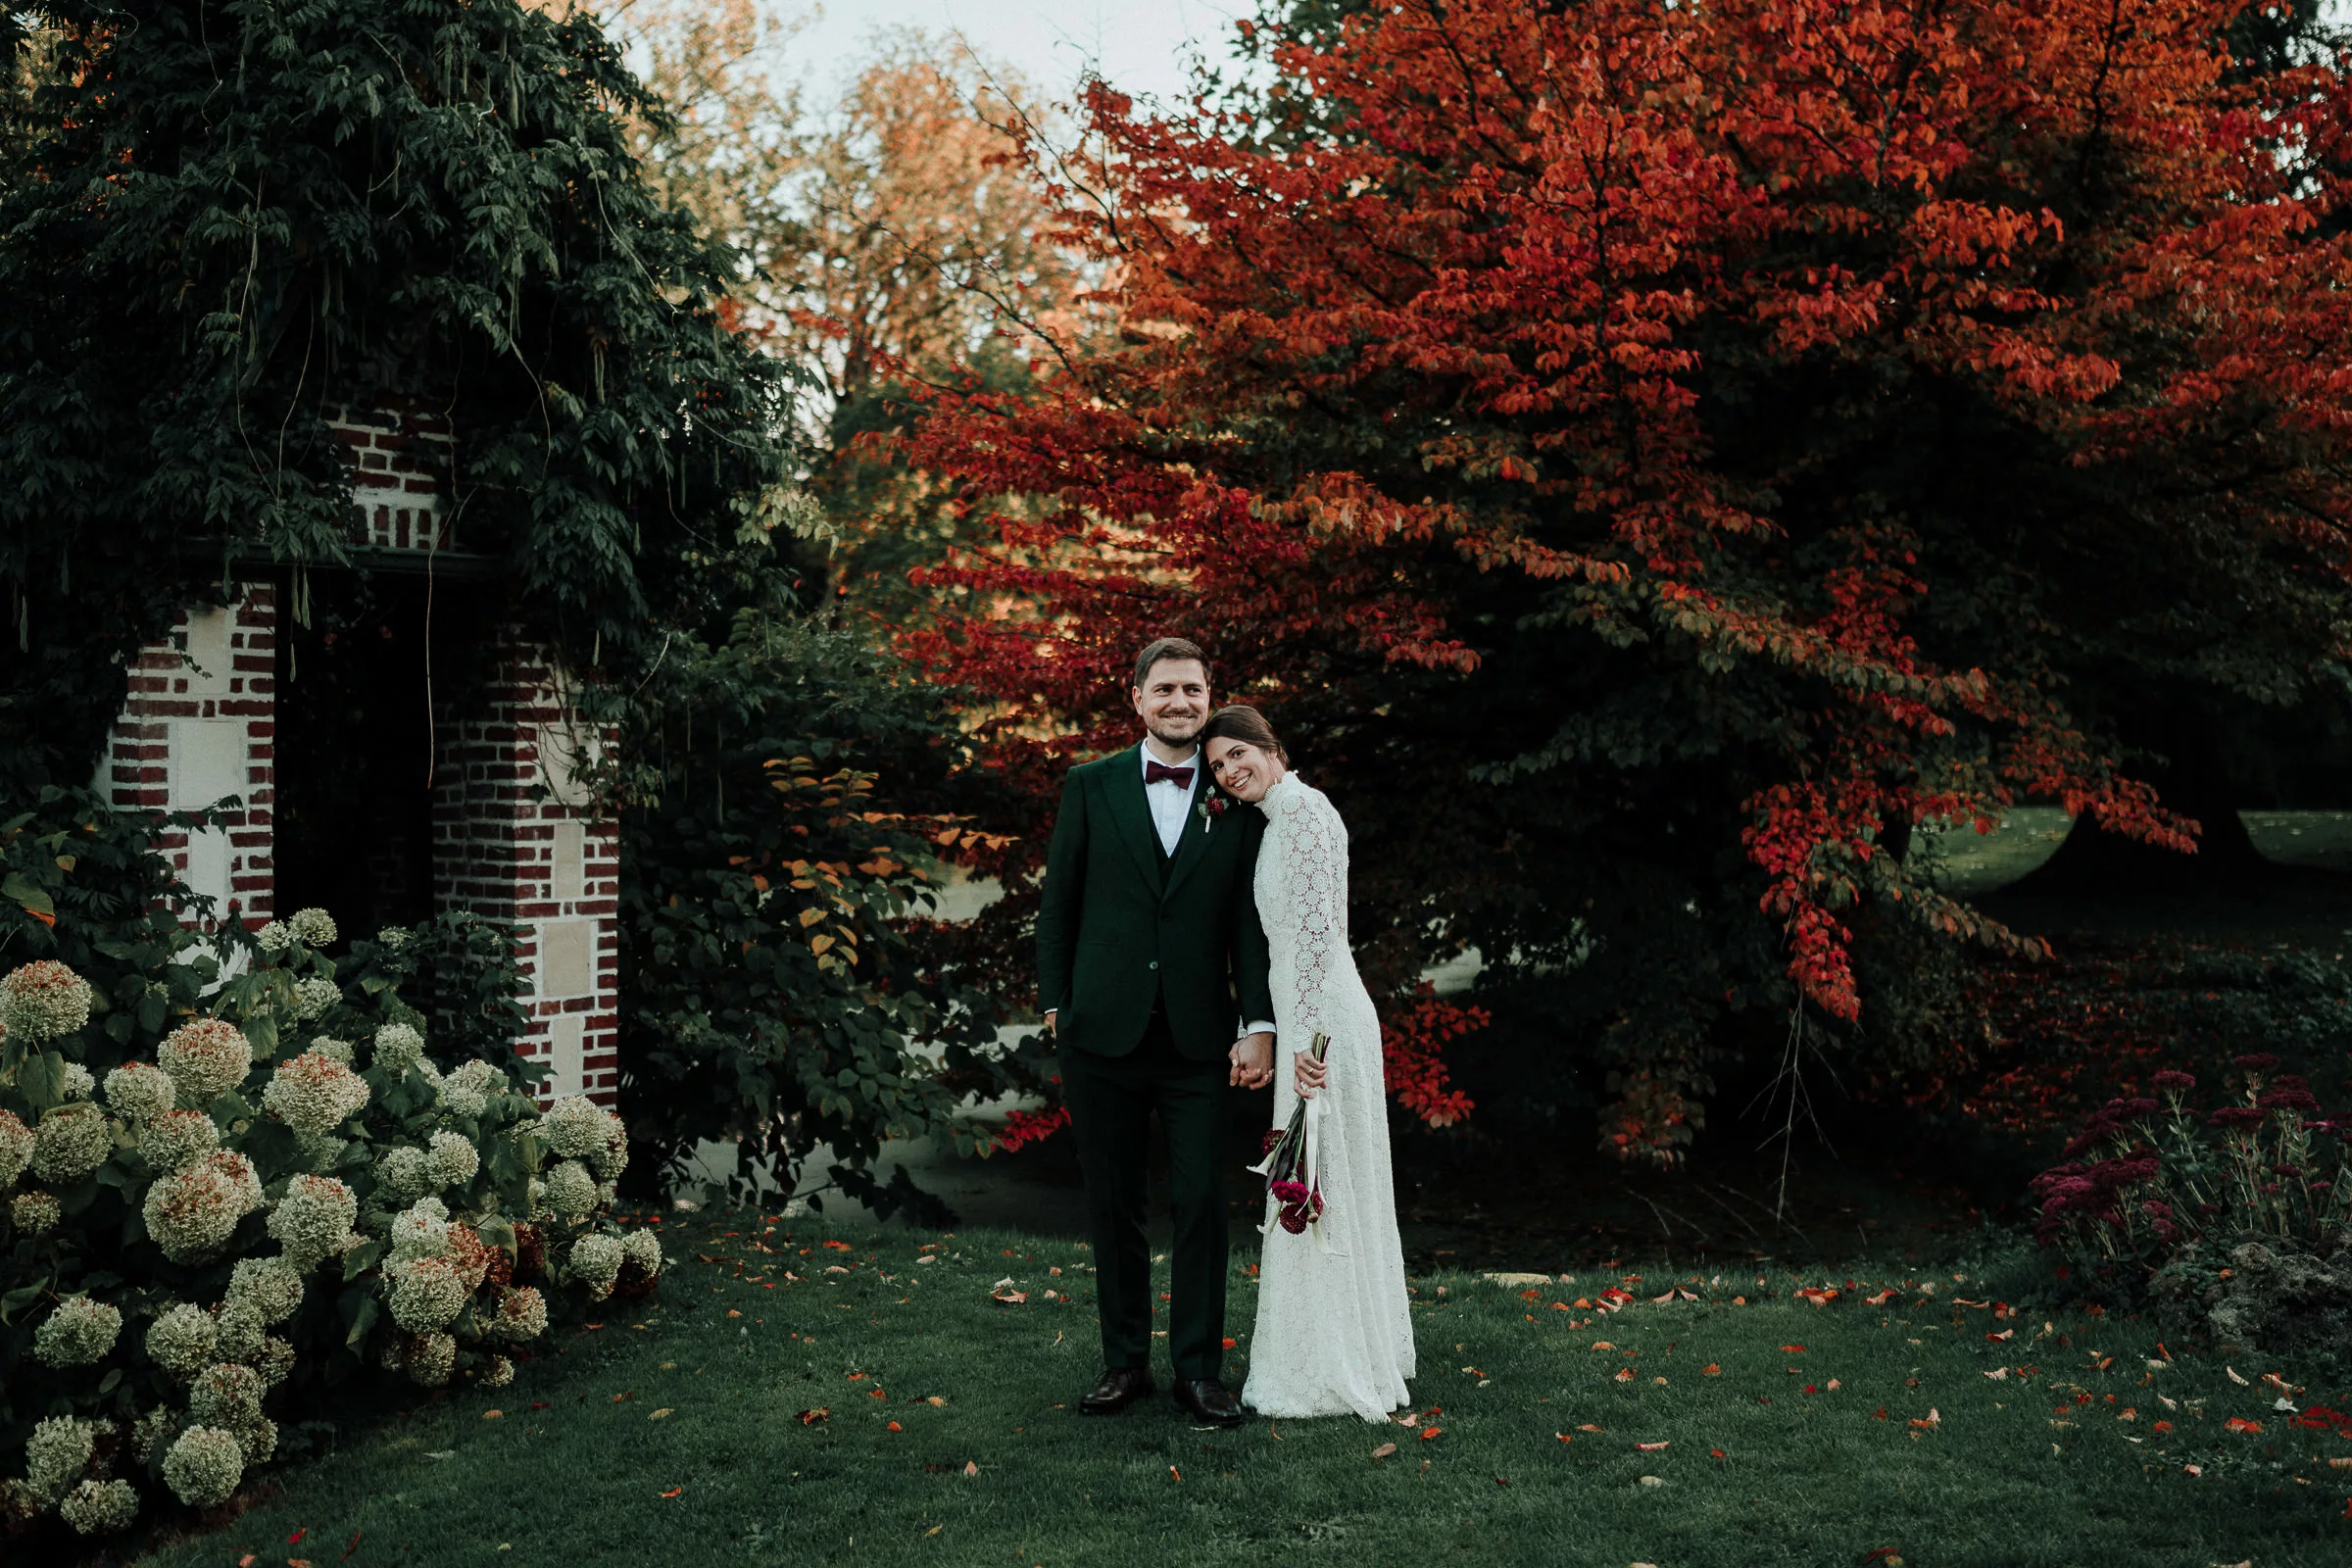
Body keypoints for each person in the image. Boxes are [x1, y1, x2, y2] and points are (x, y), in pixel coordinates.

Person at [1035, 638, 1278, 1427]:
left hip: (1200, 1037)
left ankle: (1199, 1372)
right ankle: (1124, 1363)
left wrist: (1258, 1023)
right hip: (1100, 1030)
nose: (1180, 702)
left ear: (1210, 698)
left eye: (1193, 690)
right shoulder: (1090, 785)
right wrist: (1056, 1003)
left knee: (1202, 1201)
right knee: (1114, 1203)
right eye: (1165, 689)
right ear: (1137, 698)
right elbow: (1059, 905)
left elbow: (1248, 923)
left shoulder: (1235, 795)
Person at [1200, 703, 1415, 1422]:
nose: (1231, 771)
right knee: (1313, 1176)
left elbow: (1320, 937)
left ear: (1270, 747)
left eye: (1238, 754)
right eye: (1218, 766)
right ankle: (1324, 1351)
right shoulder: (1276, 819)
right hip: (1304, 1018)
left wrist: (1308, 1045)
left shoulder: (1307, 815)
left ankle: (1336, 1364)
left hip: (1322, 1027)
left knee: (1322, 1177)